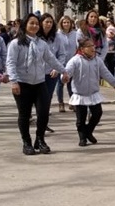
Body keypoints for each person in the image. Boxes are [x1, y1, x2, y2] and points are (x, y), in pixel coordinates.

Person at [5, 13, 68, 155]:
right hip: (22, 83)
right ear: (25, 25)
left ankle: (40, 140)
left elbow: (51, 59)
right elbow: (10, 63)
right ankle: (26, 142)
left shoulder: (42, 44)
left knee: (44, 113)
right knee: (24, 114)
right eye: (31, 23)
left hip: (39, 82)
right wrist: (14, 81)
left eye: (36, 24)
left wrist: (64, 71)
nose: (34, 26)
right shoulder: (16, 44)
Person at [67, 37, 115, 146]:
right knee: (81, 119)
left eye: (93, 46)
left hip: (93, 93)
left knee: (97, 113)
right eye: (89, 46)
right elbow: (67, 72)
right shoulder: (75, 60)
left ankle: (88, 131)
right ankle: (82, 137)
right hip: (80, 94)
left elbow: (106, 73)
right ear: (82, 49)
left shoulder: (97, 60)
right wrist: (64, 77)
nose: (93, 48)